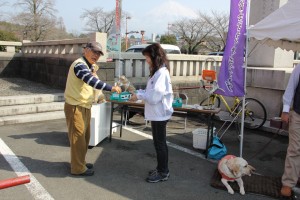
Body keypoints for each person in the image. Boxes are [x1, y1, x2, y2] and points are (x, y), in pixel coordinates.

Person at [64, 41, 121, 176]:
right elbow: (91, 81)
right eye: (94, 51)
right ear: (85, 50)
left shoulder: (89, 66)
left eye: (98, 53)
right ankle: (78, 168)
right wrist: (111, 88)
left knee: (85, 137)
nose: (96, 55)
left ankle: (80, 162)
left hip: (84, 105)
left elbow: (91, 79)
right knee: (78, 138)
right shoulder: (79, 65)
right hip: (75, 106)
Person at [129, 43, 174, 183]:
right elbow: (151, 93)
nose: (146, 60)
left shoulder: (161, 73)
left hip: (159, 113)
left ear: (154, 57)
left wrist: (139, 96)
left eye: (147, 57)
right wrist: (139, 93)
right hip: (157, 113)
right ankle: (161, 168)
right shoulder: (158, 72)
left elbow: (155, 97)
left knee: (160, 144)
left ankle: (163, 172)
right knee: (158, 143)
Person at [280, 63, 300, 197]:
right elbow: (291, 87)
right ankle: (288, 183)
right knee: (294, 149)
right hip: (298, 114)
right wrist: (285, 110)